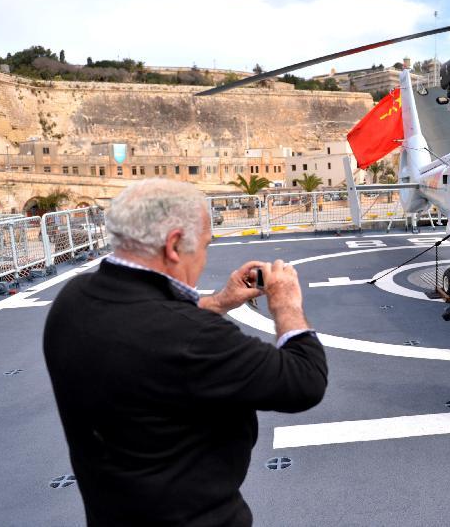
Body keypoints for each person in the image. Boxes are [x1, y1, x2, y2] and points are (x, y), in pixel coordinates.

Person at [43, 179, 327, 526]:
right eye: (204, 245)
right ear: (175, 244)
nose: (204, 258)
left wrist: (219, 302)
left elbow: (147, 327)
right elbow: (304, 380)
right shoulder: (194, 339)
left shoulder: (72, 300)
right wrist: (285, 303)